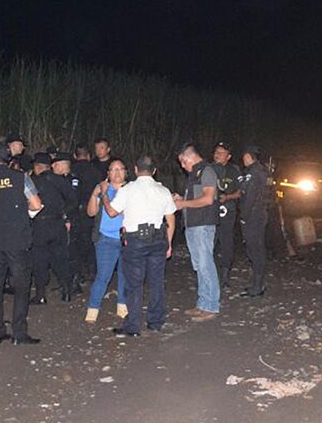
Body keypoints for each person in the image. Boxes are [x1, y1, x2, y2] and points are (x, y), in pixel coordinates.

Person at [0, 142, 42, 344]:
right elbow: (36, 204)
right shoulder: (21, 177)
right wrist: (23, 215)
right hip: (17, 240)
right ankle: (19, 333)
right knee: (21, 286)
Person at [102, 154, 175, 337]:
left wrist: (104, 194)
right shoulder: (163, 190)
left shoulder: (128, 190)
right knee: (156, 282)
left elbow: (111, 212)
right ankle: (155, 322)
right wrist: (169, 243)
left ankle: (133, 326)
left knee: (134, 284)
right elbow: (171, 219)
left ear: (135, 169)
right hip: (158, 239)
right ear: (154, 171)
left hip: (135, 241)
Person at [173, 142, 221, 320]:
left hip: (203, 224)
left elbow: (208, 199)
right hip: (193, 224)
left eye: (182, 163)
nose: (183, 167)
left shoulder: (206, 171)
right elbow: (198, 197)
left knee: (205, 264)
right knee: (199, 265)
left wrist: (182, 204)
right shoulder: (196, 174)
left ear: (188, 158)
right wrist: (181, 198)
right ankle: (203, 303)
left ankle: (211, 305)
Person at [85, 158, 127, 323]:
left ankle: (123, 306)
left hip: (126, 239)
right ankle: (93, 308)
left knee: (126, 274)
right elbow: (90, 212)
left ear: (125, 172)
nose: (116, 172)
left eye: (120, 169)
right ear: (108, 173)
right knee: (103, 275)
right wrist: (96, 194)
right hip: (105, 238)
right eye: (113, 169)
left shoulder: (131, 190)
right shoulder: (102, 188)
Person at [30, 152, 75, 304]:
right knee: (61, 259)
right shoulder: (60, 180)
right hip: (57, 225)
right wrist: (63, 213)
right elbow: (73, 201)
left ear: (37, 167)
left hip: (39, 225)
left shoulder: (32, 181)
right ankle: (66, 290)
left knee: (39, 261)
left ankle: (41, 295)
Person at [236, 144, 270, 298]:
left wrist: (244, 216)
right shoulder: (261, 171)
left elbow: (249, 197)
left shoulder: (254, 173)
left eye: (244, 156)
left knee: (255, 250)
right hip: (259, 214)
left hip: (254, 216)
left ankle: (258, 285)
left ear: (248, 156)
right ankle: (257, 283)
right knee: (256, 249)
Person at [69, 145, 101, 286]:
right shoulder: (96, 170)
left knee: (76, 243)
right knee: (91, 241)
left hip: (76, 212)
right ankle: (93, 271)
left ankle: (79, 273)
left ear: (75, 156)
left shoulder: (72, 170)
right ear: (88, 156)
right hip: (92, 210)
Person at [211, 141, 241, 289]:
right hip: (210, 214)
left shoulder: (234, 170)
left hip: (227, 213)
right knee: (210, 244)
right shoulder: (208, 169)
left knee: (226, 243)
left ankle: (225, 277)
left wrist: (228, 197)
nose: (217, 155)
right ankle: (210, 275)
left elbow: (241, 191)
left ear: (228, 156)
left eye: (221, 152)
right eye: (216, 151)